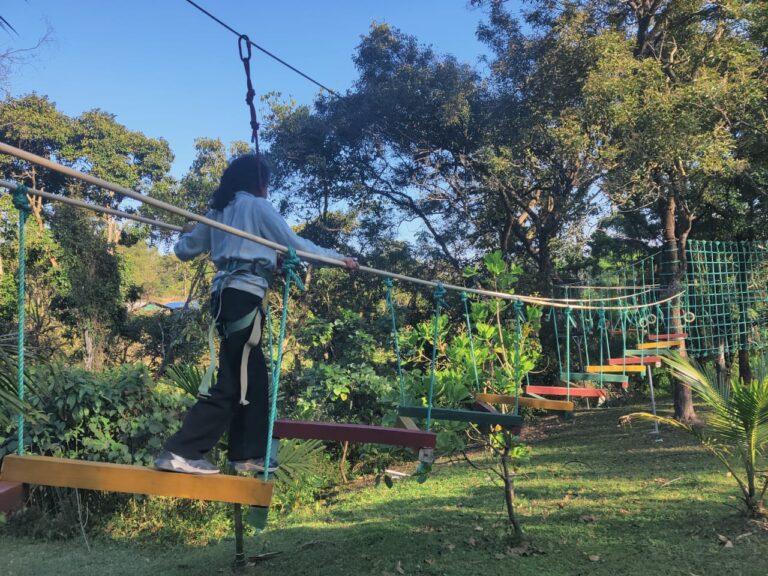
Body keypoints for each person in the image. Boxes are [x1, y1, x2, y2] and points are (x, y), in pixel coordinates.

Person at [155, 154, 359, 475]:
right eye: (267, 183)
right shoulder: (257, 207)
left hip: (223, 296)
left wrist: (192, 231)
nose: (267, 189)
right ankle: (183, 449)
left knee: (249, 378)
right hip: (243, 296)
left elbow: (184, 251)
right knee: (237, 381)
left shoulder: (218, 212)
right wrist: (339, 259)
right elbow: (296, 244)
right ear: (259, 183)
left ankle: (245, 455)